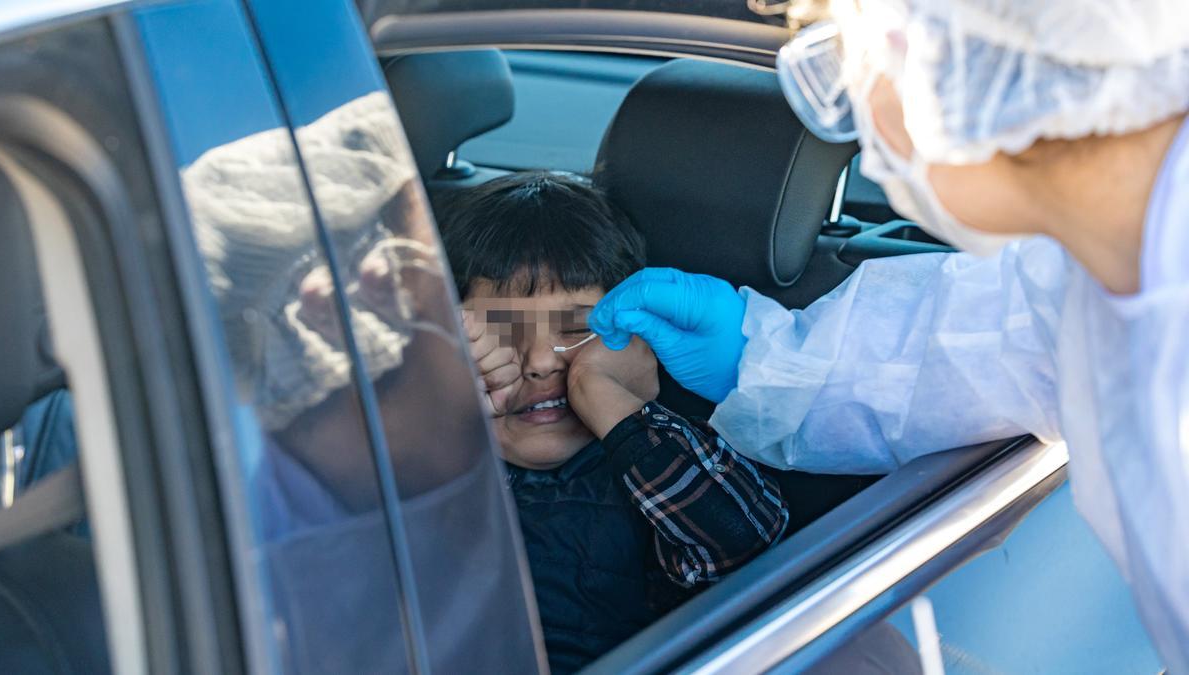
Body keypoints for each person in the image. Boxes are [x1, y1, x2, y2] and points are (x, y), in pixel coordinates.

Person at [588, 0, 1189, 670]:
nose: (859, 119)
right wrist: (758, 360)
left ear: (933, 49)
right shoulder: (1110, 268)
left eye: (846, 58)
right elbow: (965, 348)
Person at [436, 171, 791, 673]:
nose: (540, 360)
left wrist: (609, 397)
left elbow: (745, 538)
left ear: (640, 338)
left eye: (579, 327)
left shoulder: (656, 463)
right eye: (500, 329)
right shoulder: (421, 463)